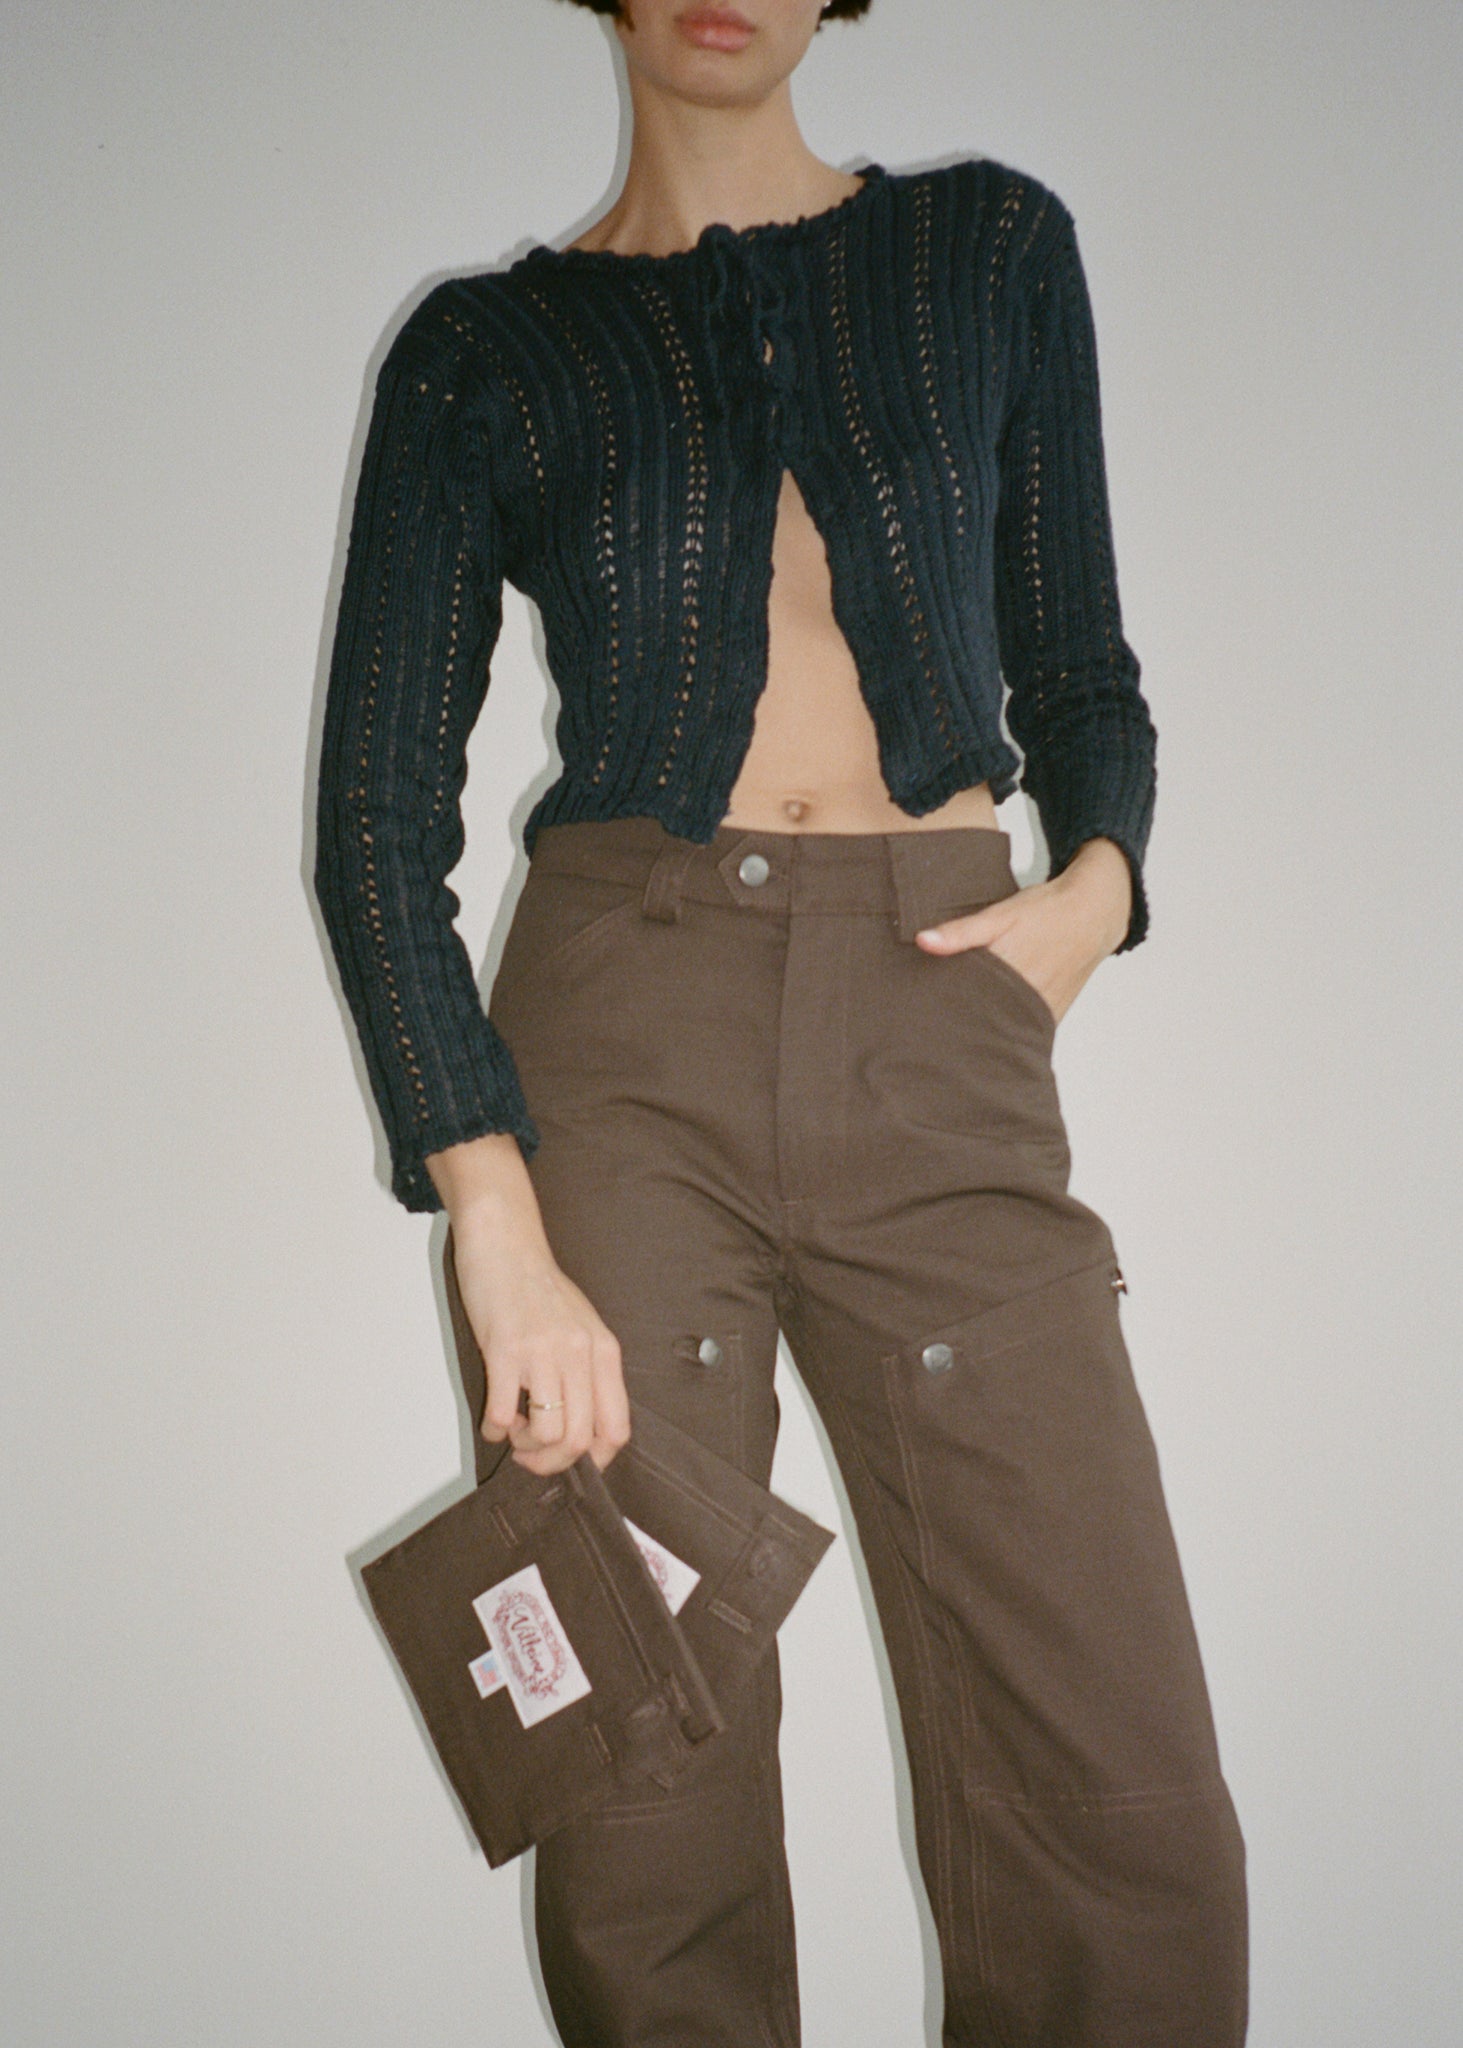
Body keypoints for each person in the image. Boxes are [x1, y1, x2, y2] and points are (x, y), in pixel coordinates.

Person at [313, 1, 1250, 2041]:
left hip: (940, 1027)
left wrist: (1094, 893)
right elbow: (373, 819)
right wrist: (496, 1219)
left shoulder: (987, 251)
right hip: (621, 1059)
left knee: (1116, 1782)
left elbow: (1081, 664)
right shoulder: (488, 350)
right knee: (641, 1789)